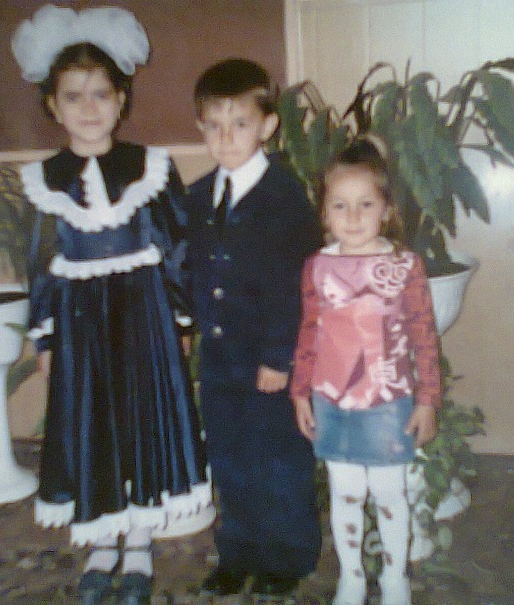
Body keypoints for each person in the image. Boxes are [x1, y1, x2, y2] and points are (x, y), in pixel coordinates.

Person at [11, 6, 210, 605]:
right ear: (53, 106)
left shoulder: (149, 168)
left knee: (142, 417)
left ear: (121, 99)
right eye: (74, 97)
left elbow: (176, 248)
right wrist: (45, 337)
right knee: (92, 420)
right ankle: (102, 541)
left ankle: (140, 542)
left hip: (143, 315)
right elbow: (40, 264)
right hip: (79, 322)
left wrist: (181, 321)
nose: (89, 108)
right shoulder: (44, 179)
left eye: (101, 94)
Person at [185, 58, 323, 598]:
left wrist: (278, 356)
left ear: (267, 125)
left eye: (239, 123)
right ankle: (237, 551)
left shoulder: (285, 197)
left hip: (269, 360)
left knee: (279, 460)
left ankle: (286, 557)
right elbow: (191, 270)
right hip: (220, 361)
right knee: (230, 458)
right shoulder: (198, 197)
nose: (225, 138)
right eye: (213, 125)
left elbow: (296, 286)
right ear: (200, 127)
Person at [289, 138, 442, 605]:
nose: (353, 217)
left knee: (390, 493)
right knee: (346, 493)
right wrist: (300, 392)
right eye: (340, 205)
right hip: (332, 400)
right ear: (324, 214)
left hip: (387, 401)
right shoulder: (317, 267)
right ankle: (351, 578)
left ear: (387, 210)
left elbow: (424, 336)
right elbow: (309, 332)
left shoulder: (405, 266)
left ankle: (395, 579)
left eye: (366, 205)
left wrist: (428, 399)